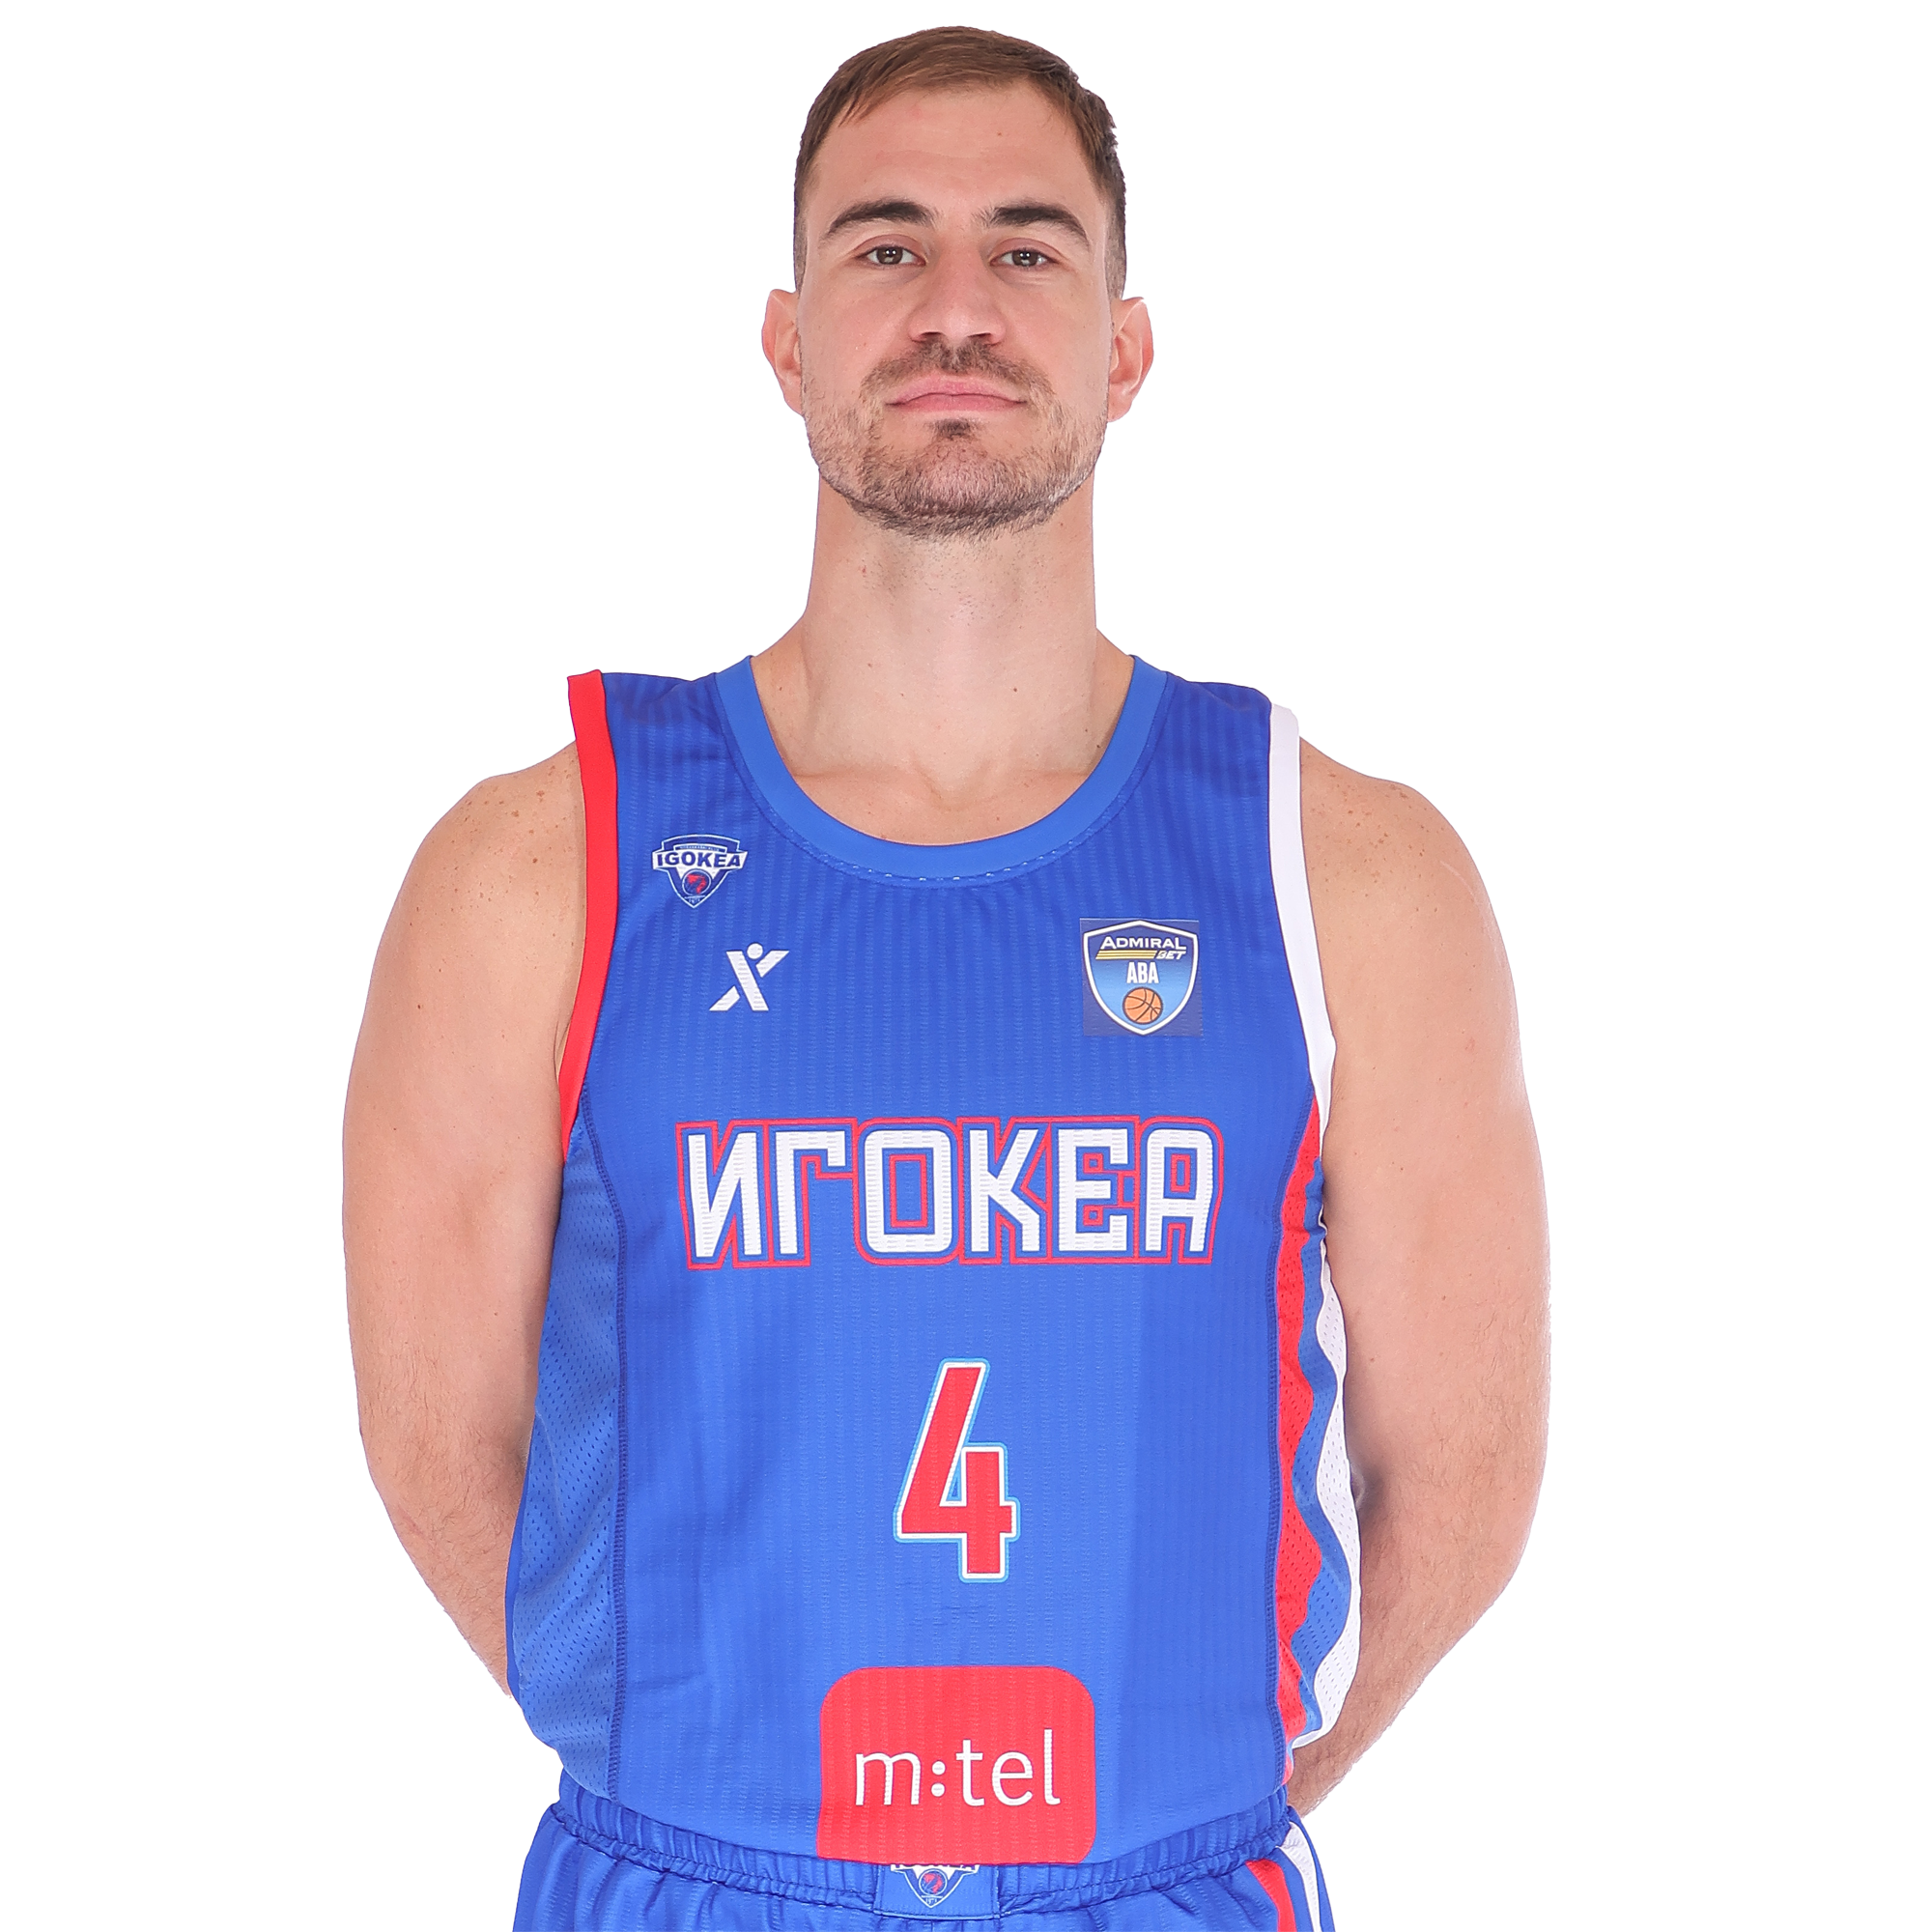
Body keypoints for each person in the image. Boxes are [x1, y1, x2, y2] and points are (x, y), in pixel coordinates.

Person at [344, 27, 1548, 1932]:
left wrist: (1187, 1806)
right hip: (693, 1876)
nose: (956, 307)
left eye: (1028, 248)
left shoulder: (1346, 873)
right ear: (788, 339)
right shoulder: (537, 868)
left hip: (1161, 1880)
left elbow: (1462, 1481)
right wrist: (717, 1785)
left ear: (1125, 350)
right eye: (887, 245)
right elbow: (437, 1440)